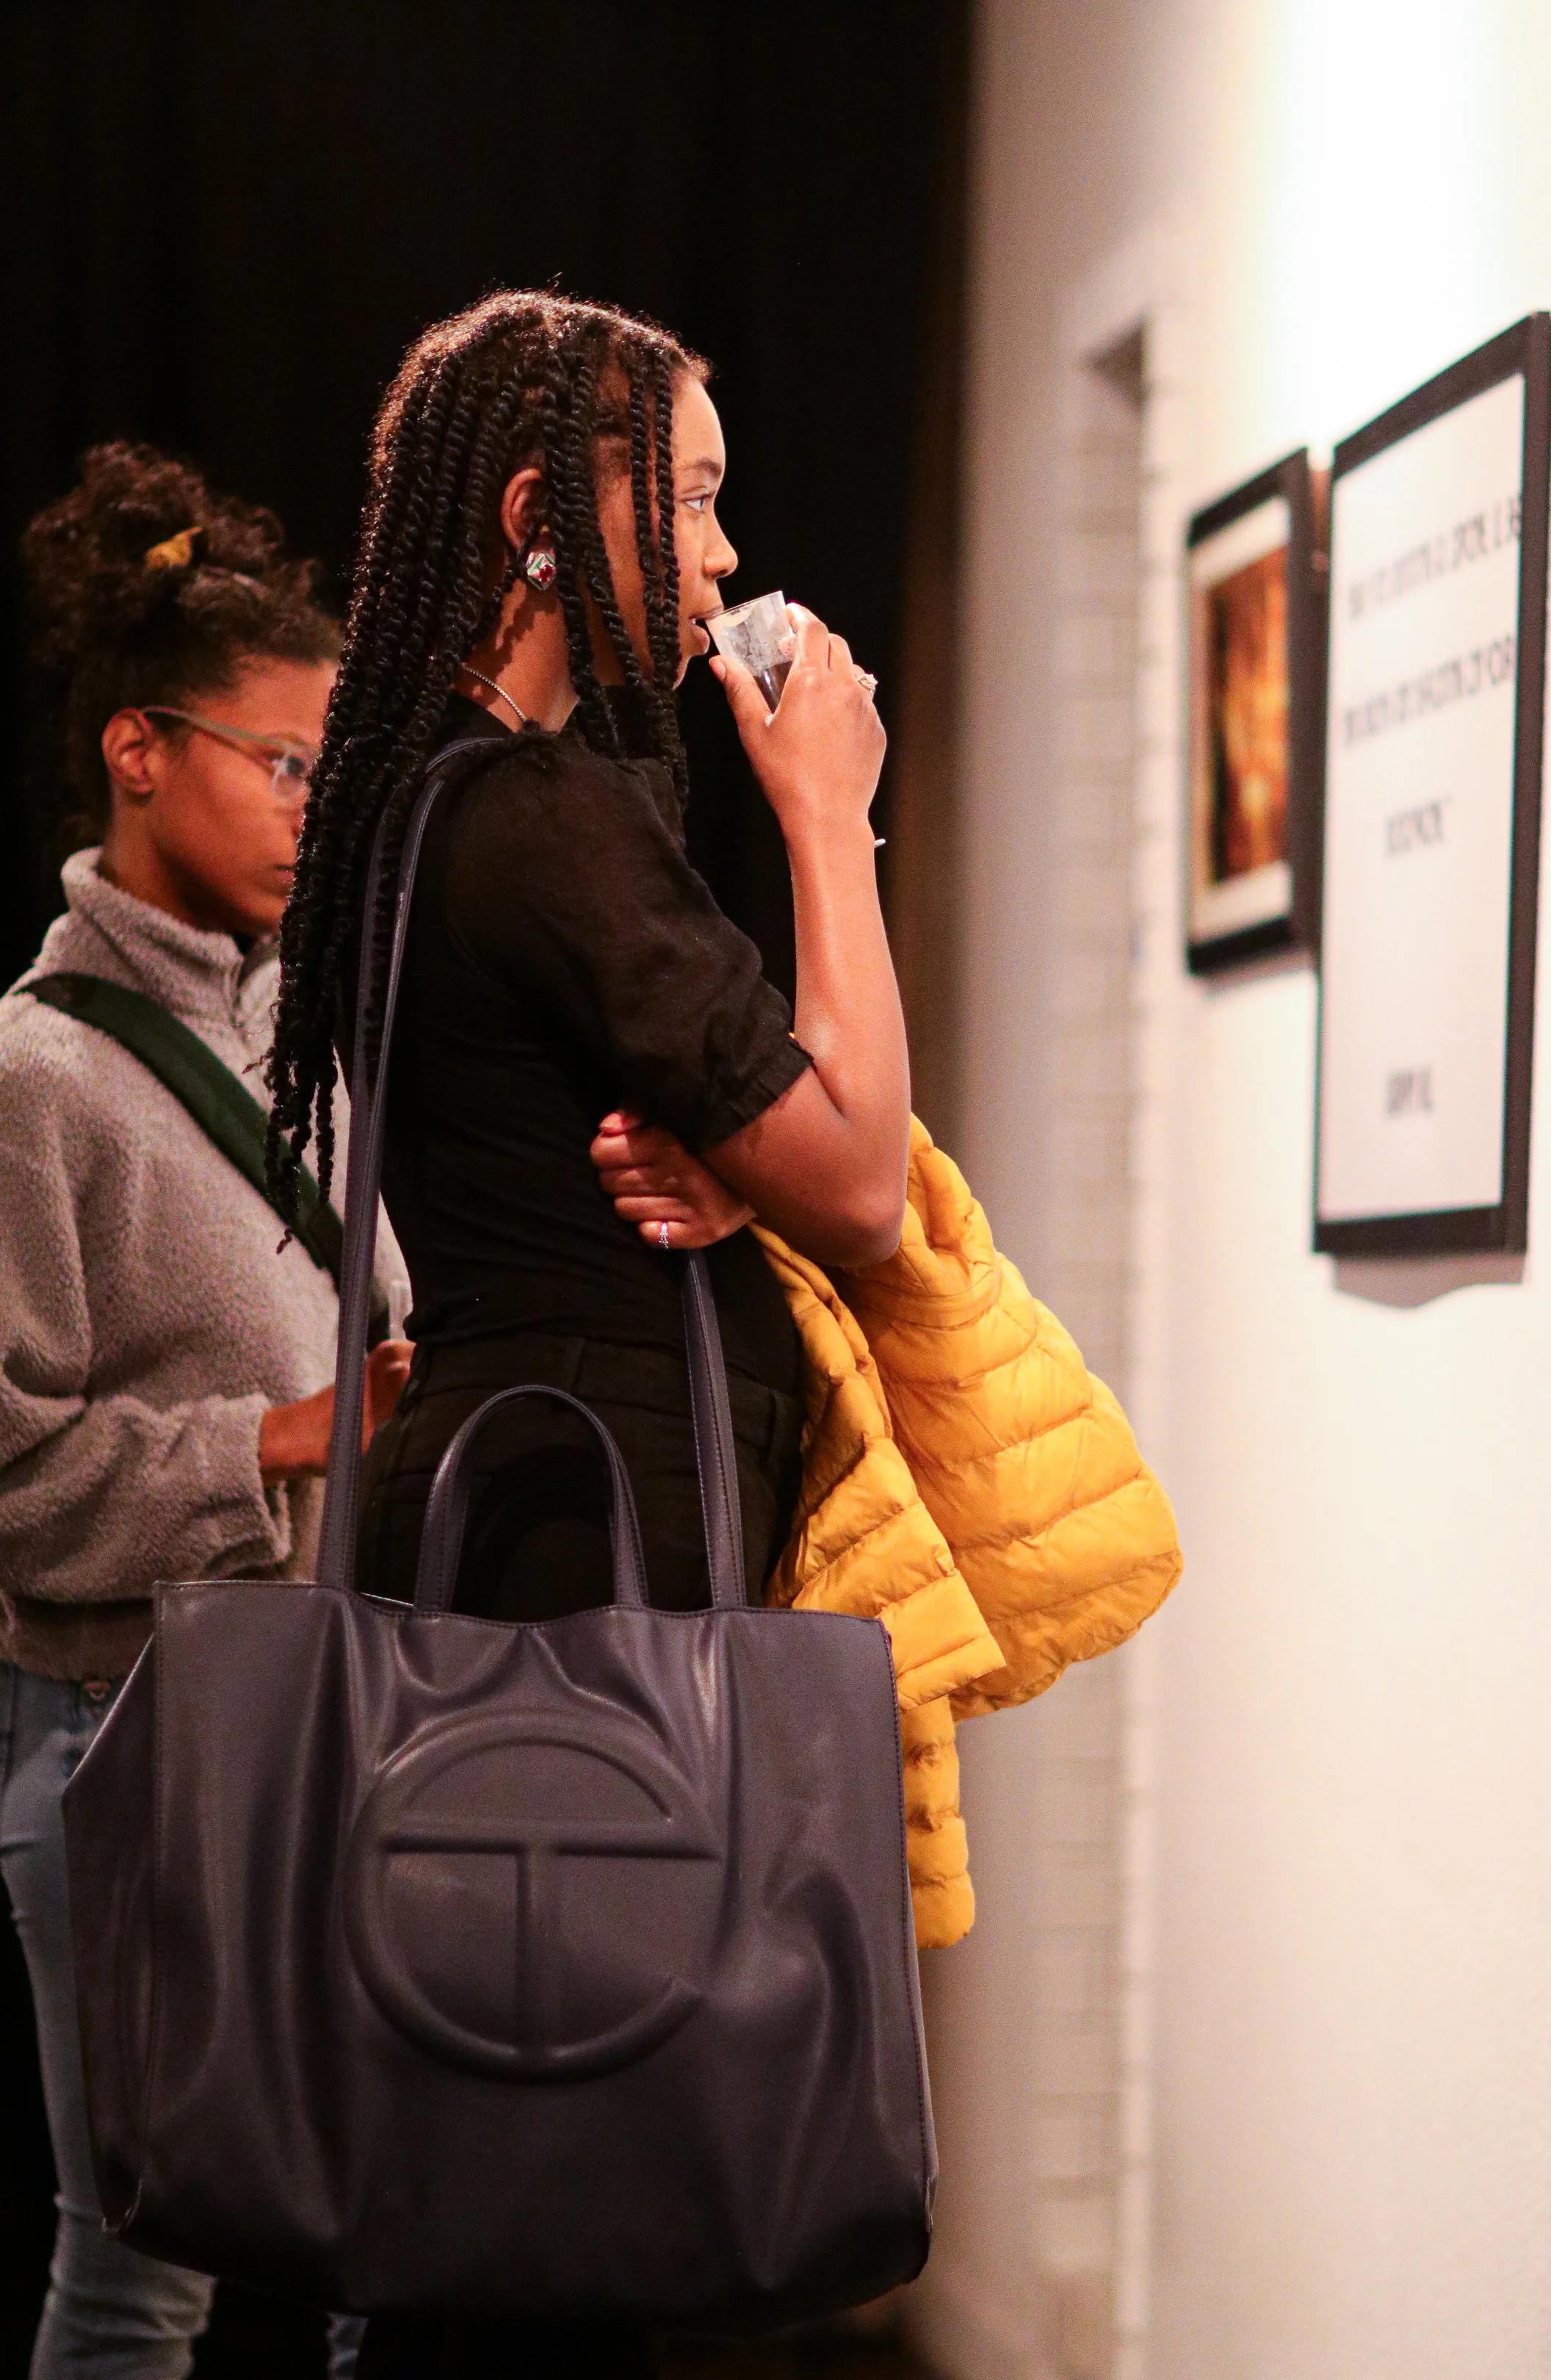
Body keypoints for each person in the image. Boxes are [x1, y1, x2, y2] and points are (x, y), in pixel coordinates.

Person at [265, 291, 907, 2380]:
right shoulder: (538, 820)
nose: (726, 560)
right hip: (600, 1583)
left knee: (490, 2184)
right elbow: (867, 1171)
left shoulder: (410, 802)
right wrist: (826, 810)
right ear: (548, 512)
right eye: (697, 502)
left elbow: (726, 1137)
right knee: (610, 2212)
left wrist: (736, 1169)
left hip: (510, 1525)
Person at [0, 442, 410, 2380]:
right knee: (143, 2261)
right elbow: (12, 1484)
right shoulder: (32, 1076)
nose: (309, 813)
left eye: (332, 773)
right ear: (137, 750)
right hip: (123, 1733)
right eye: (280, 764)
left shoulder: (296, 1031)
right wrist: (276, 1441)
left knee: (358, 2233)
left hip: (326, 1710)